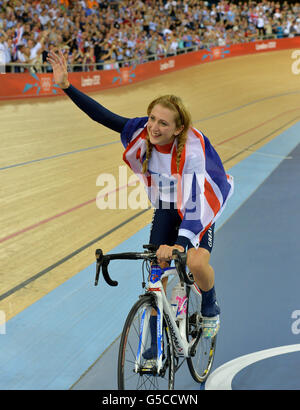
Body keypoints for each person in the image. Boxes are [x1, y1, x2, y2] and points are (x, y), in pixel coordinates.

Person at [47, 49, 234, 358]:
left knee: (196, 262)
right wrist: (67, 86)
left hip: (199, 202)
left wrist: (180, 245)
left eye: (163, 123)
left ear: (177, 129)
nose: (153, 127)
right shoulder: (141, 132)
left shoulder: (192, 151)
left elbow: (193, 204)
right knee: (155, 275)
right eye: (151, 119)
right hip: (166, 203)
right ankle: (154, 340)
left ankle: (211, 306)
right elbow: (103, 115)